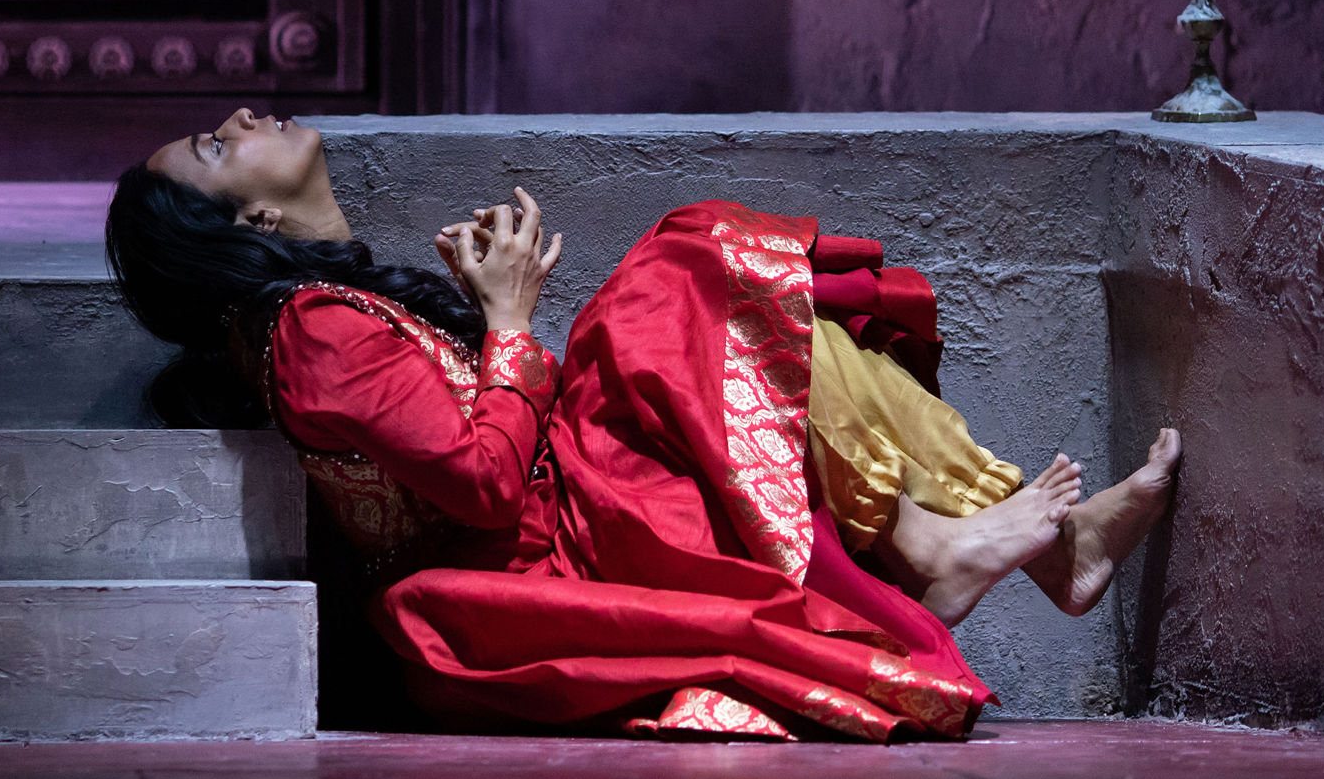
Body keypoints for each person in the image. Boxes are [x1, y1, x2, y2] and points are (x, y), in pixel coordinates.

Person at [106, 108, 1182, 741]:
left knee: (693, 280)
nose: (240, 119)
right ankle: (957, 544)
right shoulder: (306, 330)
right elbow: (483, 485)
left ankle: (993, 544)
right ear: (251, 218)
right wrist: (509, 321)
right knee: (680, 275)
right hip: (548, 547)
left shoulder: (325, 313)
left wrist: (497, 324)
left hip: (568, 490)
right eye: (215, 145)